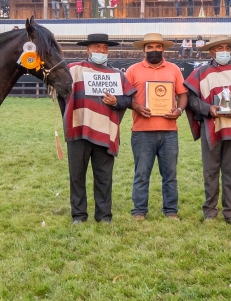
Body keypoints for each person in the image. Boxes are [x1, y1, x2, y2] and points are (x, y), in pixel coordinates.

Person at [62, 33, 136, 224]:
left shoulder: (117, 75)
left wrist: (117, 101)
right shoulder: (73, 70)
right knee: (76, 176)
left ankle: (104, 215)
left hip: (105, 132)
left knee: (104, 177)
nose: (101, 51)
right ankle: (79, 215)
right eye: (97, 47)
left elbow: (129, 99)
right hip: (79, 130)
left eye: (104, 47)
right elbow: (59, 88)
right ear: (87, 49)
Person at [184, 36, 231, 225]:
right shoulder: (201, 72)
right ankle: (210, 210)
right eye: (219, 48)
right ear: (211, 52)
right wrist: (208, 109)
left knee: (230, 171)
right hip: (211, 127)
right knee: (210, 171)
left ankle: (230, 212)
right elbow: (191, 99)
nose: (224, 51)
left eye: (226, 48)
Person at [125, 33, 188, 220]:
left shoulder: (174, 69)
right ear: (143, 49)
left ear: (163, 49)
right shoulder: (133, 70)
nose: (154, 50)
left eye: (158, 47)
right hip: (142, 131)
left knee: (170, 175)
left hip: (169, 131)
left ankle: (171, 211)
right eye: (150, 47)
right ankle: (139, 211)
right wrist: (136, 106)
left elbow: (183, 94)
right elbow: (125, 97)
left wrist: (179, 110)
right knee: (142, 173)